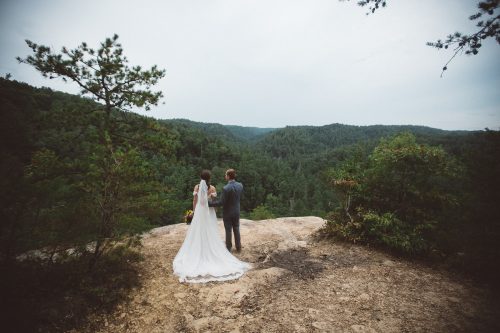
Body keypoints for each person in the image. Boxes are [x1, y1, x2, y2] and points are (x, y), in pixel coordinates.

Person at [172, 170, 250, 283]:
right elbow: (215, 201)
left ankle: (225, 247)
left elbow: (195, 200)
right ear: (209, 178)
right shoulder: (215, 188)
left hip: (200, 212)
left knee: (200, 231)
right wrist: (214, 211)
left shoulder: (197, 187)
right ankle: (238, 247)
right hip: (219, 212)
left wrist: (194, 212)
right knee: (224, 229)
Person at [209, 169, 244, 252]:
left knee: (228, 230)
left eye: (225, 175)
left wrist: (209, 203)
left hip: (228, 212)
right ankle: (238, 247)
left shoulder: (225, 188)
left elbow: (221, 202)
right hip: (236, 211)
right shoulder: (240, 185)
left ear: (228, 176)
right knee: (236, 228)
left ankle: (228, 248)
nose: (225, 176)